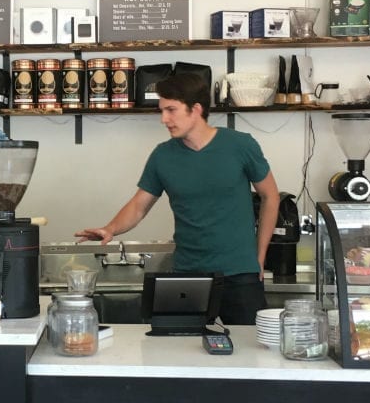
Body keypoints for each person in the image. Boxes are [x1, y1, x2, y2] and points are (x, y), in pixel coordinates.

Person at [74, 73, 280, 325]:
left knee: (251, 356)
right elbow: (139, 205)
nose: (164, 119)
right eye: (162, 111)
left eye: (171, 110)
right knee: (179, 352)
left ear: (196, 109)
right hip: (188, 274)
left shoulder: (240, 145)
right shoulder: (162, 156)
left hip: (240, 274)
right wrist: (110, 229)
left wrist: (259, 256)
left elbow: (270, 196)